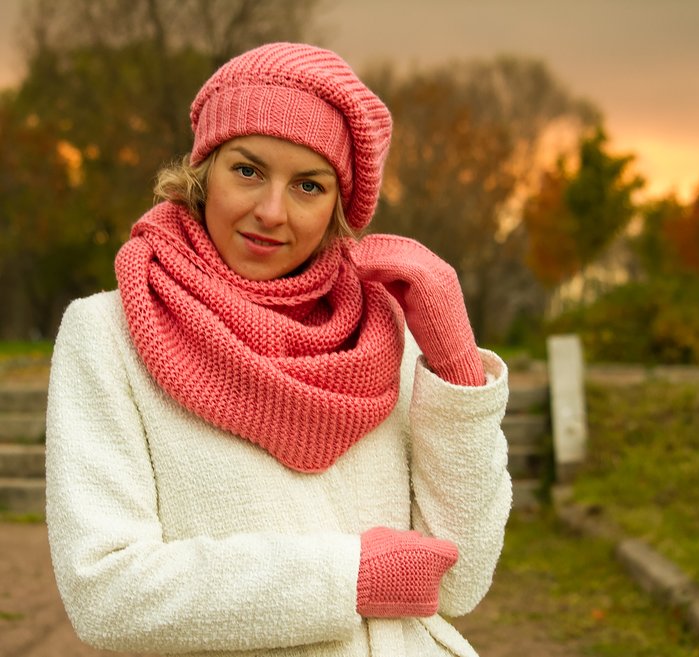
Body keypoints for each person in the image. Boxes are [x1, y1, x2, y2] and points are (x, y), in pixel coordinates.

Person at [46, 42, 512, 657]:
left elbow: (459, 578)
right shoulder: (108, 334)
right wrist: (346, 577)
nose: (271, 211)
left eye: (309, 186)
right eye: (248, 170)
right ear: (202, 170)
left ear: (338, 206)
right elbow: (104, 591)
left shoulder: (379, 332)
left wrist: (454, 365)